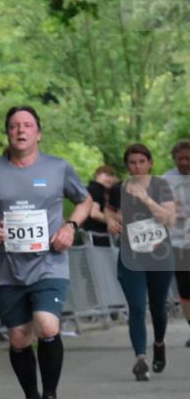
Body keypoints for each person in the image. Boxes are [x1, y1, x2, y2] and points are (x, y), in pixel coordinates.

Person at [0, 106, 92, 399]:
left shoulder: (58, 167)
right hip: (9, 267)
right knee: (19, 338)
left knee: (47, 325)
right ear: (7, 132)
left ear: (38, 132)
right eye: (14, 126)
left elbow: (85, 200)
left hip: (50, 262)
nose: (21, 130)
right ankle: (30, 398)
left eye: (28, 125)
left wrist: (70, 227)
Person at [105, 143, 176, 380]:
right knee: (136, 307)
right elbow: (108, 210)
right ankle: (140, 359)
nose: (137, 167)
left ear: (150, 163)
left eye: (141, 162)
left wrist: (145, 198)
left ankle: (158, 343)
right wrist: (110, 221)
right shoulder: (118, 188)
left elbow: (169, 220)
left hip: (159, 256)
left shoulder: (161, 186)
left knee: (157, 308)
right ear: (127, 166)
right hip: (130, 256)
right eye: (132, 163)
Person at [162, 139, 190, 347]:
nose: (184, 163)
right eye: (180, 159)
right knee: (185, 288)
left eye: (188, 159)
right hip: (178, 241)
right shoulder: (166, 181)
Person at [82, 165, 119, 247]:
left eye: (112, 176)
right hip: (98, 236)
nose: (110, 179)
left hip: (92, 236)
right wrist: (112, 222)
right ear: (97, 175)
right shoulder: (96, 189)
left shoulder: (91, 189)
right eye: (106, 175)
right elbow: (94, 213)